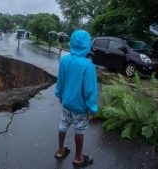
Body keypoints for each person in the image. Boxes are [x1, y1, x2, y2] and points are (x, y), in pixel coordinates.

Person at [54, 30, 97, 167]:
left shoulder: (64, 60)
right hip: (80, 106)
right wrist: (92, 108)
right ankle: (78, 158)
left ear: (71, 42)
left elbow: (60, 80)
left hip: (66, 103)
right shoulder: (88, 65)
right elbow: (90, 90)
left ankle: (60, 150)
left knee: (63, 124)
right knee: (79, 129)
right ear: (87, 44)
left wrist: (60, 95)